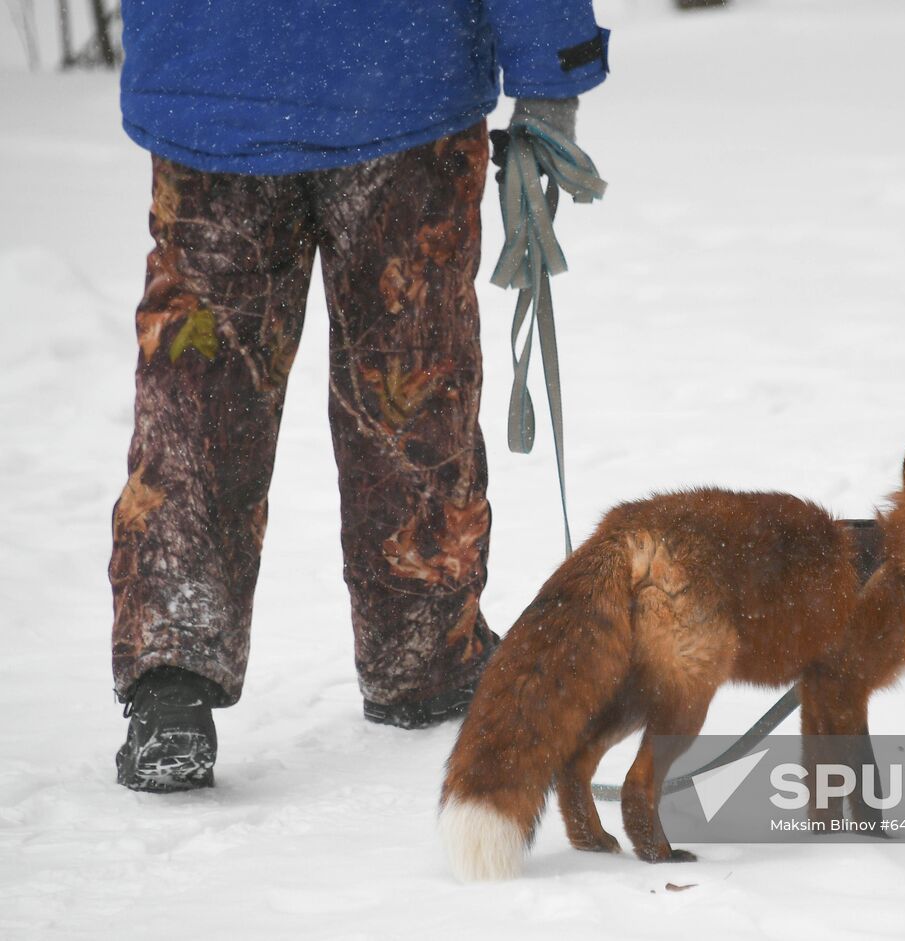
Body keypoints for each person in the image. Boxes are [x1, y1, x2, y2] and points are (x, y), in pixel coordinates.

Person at [108, 1, 610, 792]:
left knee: (199, 396)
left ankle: (173, 671)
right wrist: (552, 72)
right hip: (401, 79)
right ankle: (422, 652)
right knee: (408, 382)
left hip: (212, 73)